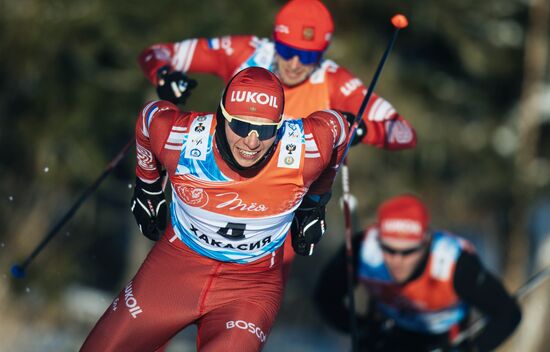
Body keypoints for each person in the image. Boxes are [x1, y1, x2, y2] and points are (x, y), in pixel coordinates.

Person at [138, 0, 417, 279]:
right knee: (175, 284)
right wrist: (165, 75)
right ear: (275, 40)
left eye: (309, 57)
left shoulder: (332, 79)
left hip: (280, 210)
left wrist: (364, 129)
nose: (295, 65)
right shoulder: (247, 53)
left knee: (251, 301)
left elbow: (404, 132)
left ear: (323, 53)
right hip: (214, 189)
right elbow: (157, 53)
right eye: (287, 50)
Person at [81, 66, 354, 351]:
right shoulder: (182, 138)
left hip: (248, 289)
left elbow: (338, 129)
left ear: (280, 125)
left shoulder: (304, 148)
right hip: (173, 273)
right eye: (240, 126)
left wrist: (315, 203)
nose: (251, 141)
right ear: (221, 116)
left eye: (265, 130)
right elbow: (150, 118)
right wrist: (147, 185)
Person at [315, 195, 522, 352]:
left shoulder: (454, 263)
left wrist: (473, 349)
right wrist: (361, 328)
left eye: (408, 252)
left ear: (426, 243)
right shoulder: (363, 250)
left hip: (443, 337)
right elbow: (325, 297)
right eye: (389, 249)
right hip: (386, 333)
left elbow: (508, 313)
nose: (397, 260)